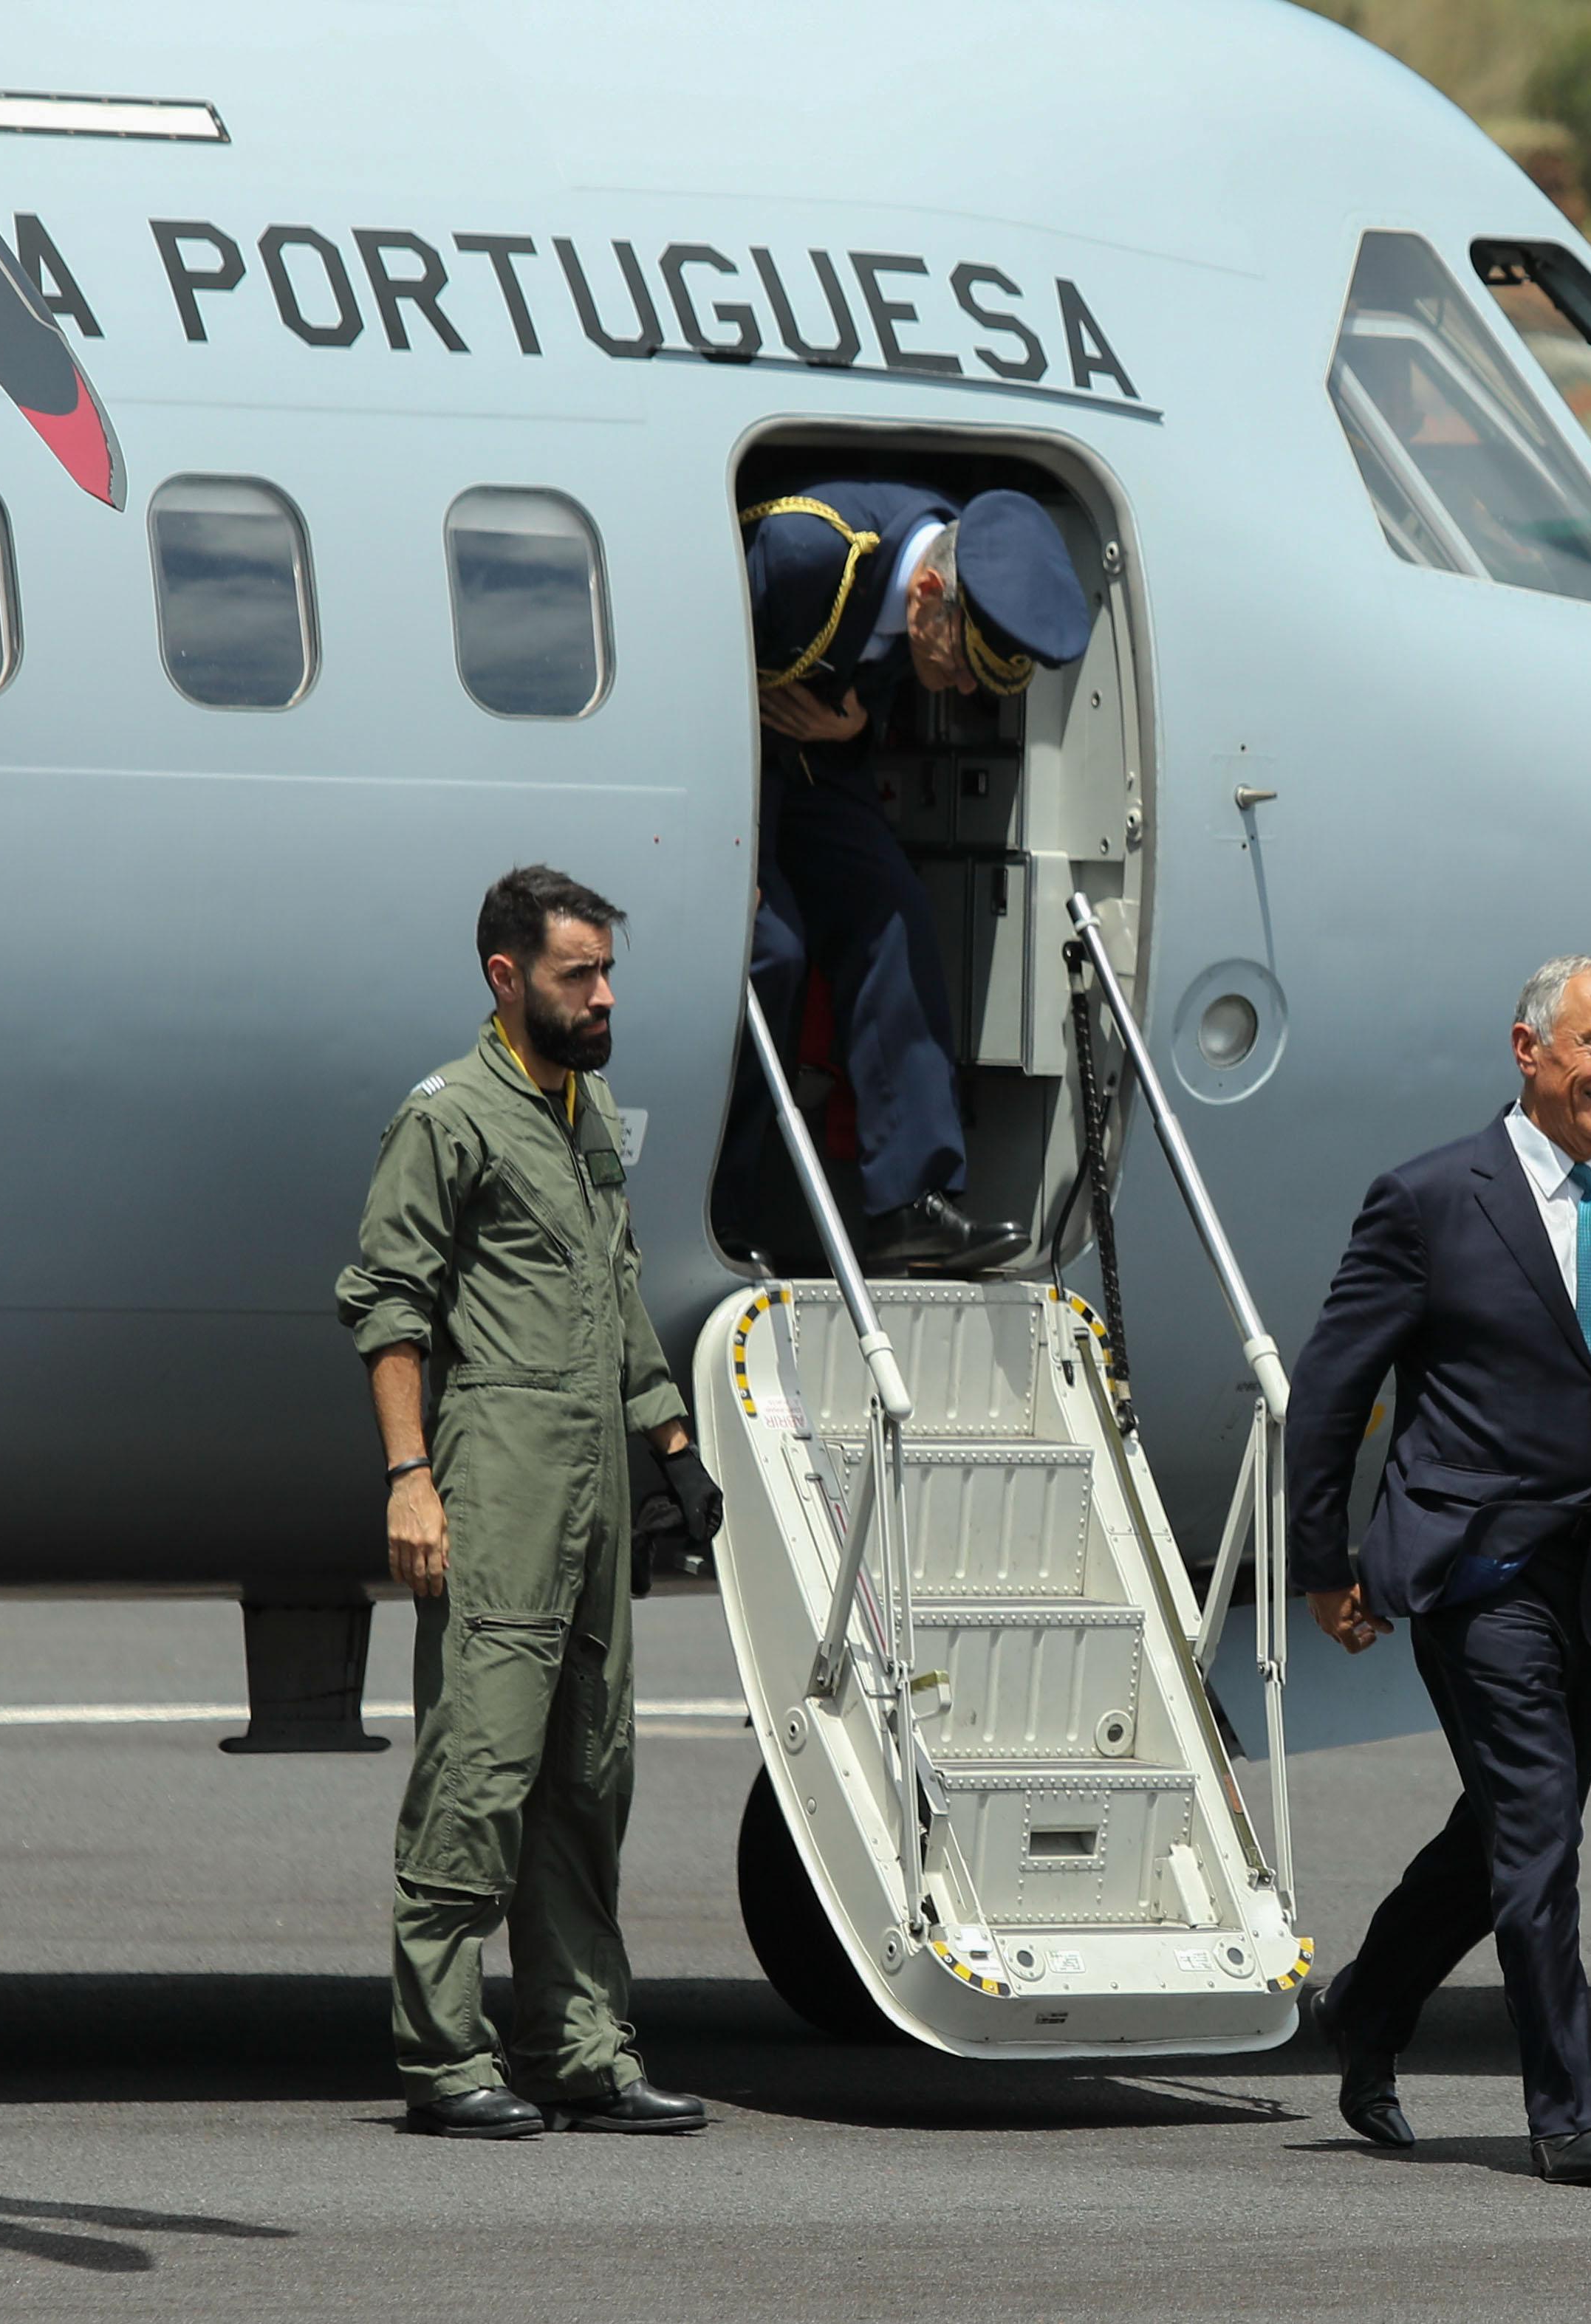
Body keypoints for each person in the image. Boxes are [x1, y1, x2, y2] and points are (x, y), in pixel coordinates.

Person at [1285, 956, 1591, 2187]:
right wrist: (1325, 1563)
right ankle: (1566, 2108)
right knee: (1541, 1835)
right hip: (1473, 1567)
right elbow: (1331, 1396)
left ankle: (1366, 2003)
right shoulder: (1431, 1198)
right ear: (1527, 1047)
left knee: (1507, 1831)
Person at [334, 865, 708, 2140]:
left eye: (607, 971)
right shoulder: (448, 1118)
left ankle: (581, 2045)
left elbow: (617, 1278)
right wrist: (411, 1480)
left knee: (590, 1771)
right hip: (497, 1467)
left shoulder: (587, 1105)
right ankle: (445, 2057)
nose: (603, 995)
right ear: (508, 979)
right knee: (482, 1767)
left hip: (600, 1472)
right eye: (577, 975)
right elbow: (387, 1308)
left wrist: (670, 1440)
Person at [736, 481, 1092, 1272]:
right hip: (733, 768)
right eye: (962, 667)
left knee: (897, 914)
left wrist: (856, 714)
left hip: (820, 764)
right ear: (928, 593)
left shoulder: (948, 557)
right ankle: (733, 1201)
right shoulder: (809, 554)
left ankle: (912, 1204)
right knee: (770, 950)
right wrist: (741, 860)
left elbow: (869, 665)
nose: (963, 690)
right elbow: (695, 676)